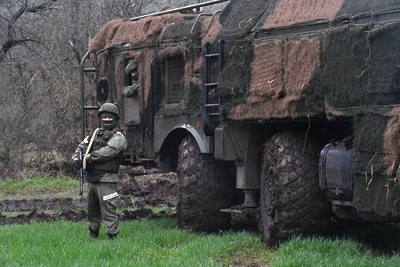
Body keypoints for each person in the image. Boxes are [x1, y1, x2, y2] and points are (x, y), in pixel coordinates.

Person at [72, 103, 127, 239]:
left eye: (110, 118)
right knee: (92, 211)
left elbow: (107, 152)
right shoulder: (94, 135)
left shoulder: (118, 137)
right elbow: (81, 147)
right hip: (92, 179)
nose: (107, 120)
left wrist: (88, 158)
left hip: (107, 179)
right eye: (104, 118)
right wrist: (76, 159)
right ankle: (93, 234)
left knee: (108, 210)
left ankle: (112, 238)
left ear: (115, 119)